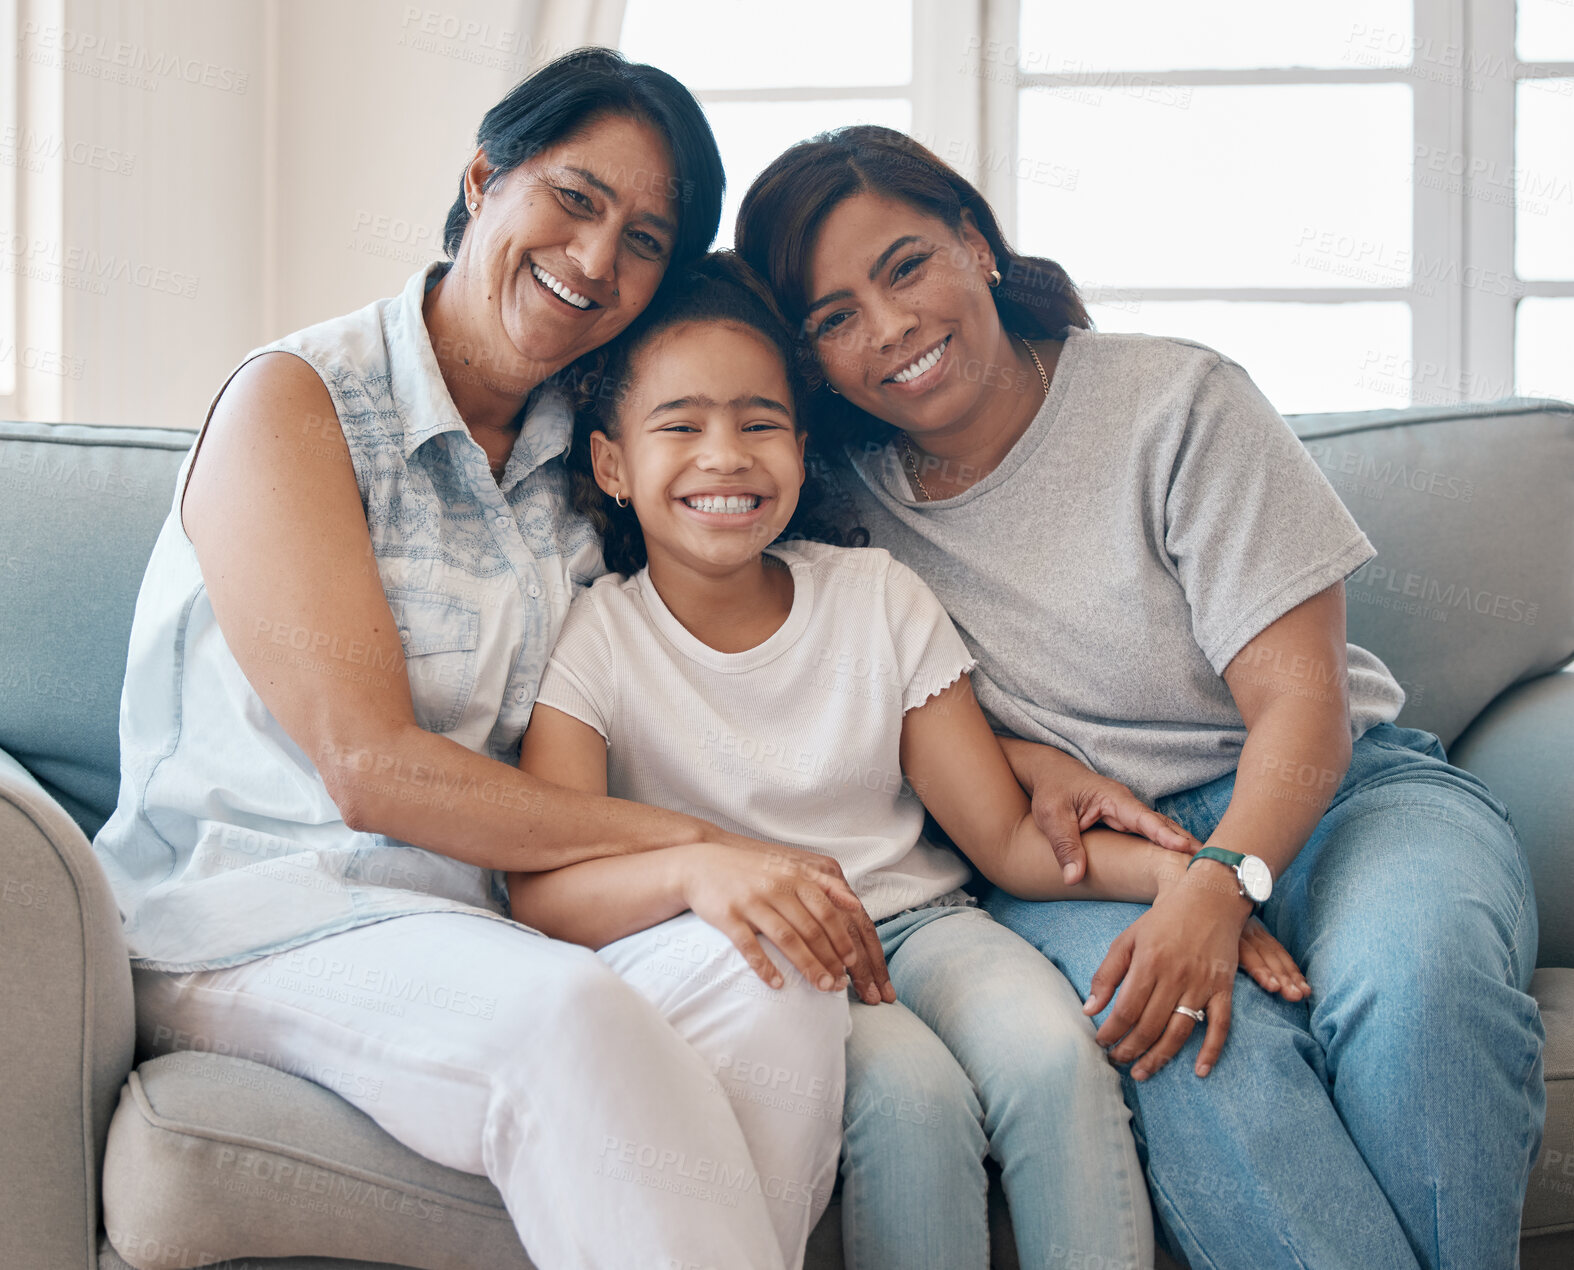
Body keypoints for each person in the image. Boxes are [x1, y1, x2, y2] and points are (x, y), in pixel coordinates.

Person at [92, 50, 869, 1270]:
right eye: (573, 197)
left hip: (480, 927)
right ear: (483, 179)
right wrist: (700, 852)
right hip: (263, 918)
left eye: (646, 239)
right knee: (567, 1021)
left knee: (775, 973)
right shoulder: (296, 402)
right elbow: (369, 768)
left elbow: (786, 578)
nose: (596, 259)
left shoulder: (588, 458)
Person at [735, 125, 1546, 1270]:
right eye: (831, 316)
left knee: (1416, 988)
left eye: (905, 265)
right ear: (808, 357)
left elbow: (1300, 712)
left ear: (974, 243)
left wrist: (1220, 885)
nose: (889, 329)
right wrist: (1023, 761)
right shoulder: (821, 498)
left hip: (1343, 795)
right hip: (1079, 864)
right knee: (1192, 1045)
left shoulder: (1175, 400)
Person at [504, 250, 1310, 1270]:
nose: (725, 457)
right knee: (913, 1104)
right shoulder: (596, 641)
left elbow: (1009, 840)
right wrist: (697, 881)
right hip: (769, 969)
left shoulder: (875, 596)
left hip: (927, 923)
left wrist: (1195, 883)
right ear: (611, 466)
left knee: (1057, 1056)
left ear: (800, 448)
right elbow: (545, 887)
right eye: (680, 426)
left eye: (758, 423)